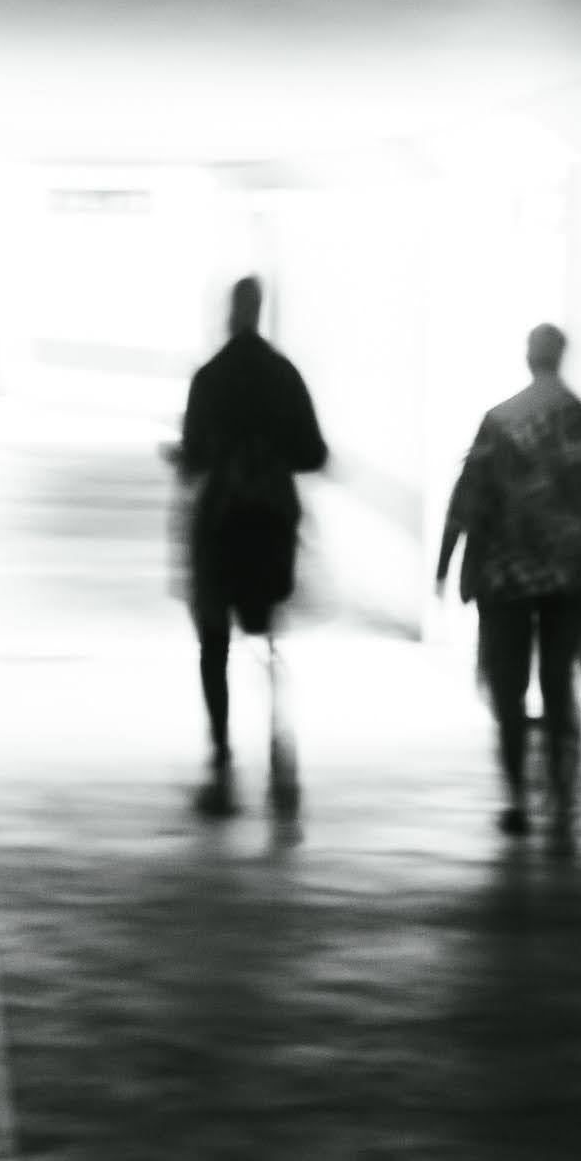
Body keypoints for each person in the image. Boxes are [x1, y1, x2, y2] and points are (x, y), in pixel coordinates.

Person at [436, 323, 581, 848]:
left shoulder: (499, 421)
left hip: (506, 578)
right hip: (572, 577)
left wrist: (443, 566)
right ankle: (563, 801)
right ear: (562, 357)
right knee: (558, 681)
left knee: (508, 684)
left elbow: (467, 500)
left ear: (529, 358)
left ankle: (518, 800)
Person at [171, 276, 327, 814]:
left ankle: (220, 748)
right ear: (261, 312)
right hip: (270, 526)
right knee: (269, 636)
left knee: (214, 640)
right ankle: (279, 735)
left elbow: (193, 456)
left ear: (230, 311)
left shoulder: (210, 377)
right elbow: (313, 453)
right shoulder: (284, 375)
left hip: (219, 525)